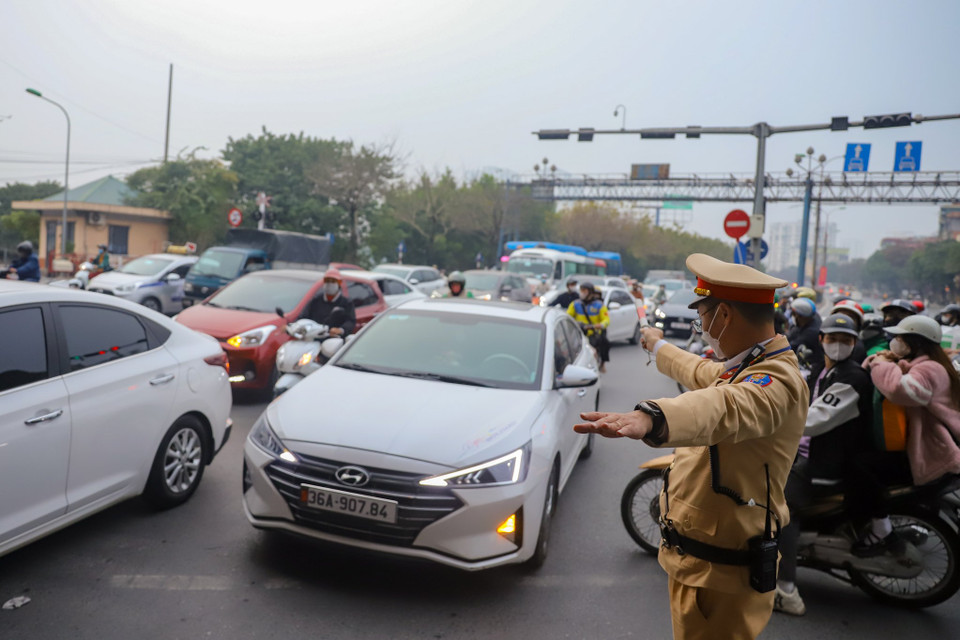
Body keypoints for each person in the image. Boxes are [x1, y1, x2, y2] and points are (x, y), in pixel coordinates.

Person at [574, 253, 808, 640]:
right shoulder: (751, 363)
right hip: (700, 565)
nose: (702, 327)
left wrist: (653, 416)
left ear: (725, 316)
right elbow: (701, 373)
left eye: (704, 316)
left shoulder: (776, 380)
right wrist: (659, 346)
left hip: (720, 578)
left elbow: (723, 405)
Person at [775, 314, 874, 616]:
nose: (839, 345)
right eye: (833, 339)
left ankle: (785, 590)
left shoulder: (852, 377)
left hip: (824, 465)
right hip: (804, 451)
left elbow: (814, 420)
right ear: (822, 340)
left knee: (782, 509)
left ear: (855, 343)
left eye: (846, 340)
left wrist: (768, 421)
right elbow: (797, 397)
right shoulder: (822, 369)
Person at [858, 315, 960, 556]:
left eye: (900, 338)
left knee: (859, 466)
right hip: (921, 447)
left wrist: (881, 364)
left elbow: (899, 390)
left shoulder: (931, 369)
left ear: (916, 342)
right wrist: (883, 359)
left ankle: (880, 528)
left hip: (931, 452)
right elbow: (875, 368)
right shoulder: (926, 364)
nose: (894, 341)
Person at [568, 282, 610, 373]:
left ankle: (602, 364)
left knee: (605, 343)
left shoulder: (599, 305)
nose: (581, 292)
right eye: (581, 290)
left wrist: (597, 326)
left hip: (593, 334)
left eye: (584, 290)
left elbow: (606, 320)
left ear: (590, 292)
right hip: (579, 333)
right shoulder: (575, 304)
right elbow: (568, 317)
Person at [301, 268, 356, 336]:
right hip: (314, 337)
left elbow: (350, 321)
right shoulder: (316, 300)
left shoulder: (346, 303)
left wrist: (340, 330)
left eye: (333, 281)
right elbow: (303, 316)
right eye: (327, 281)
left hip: (334, 340)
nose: (329, 283)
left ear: (339, 283)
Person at [787, 297, 824, 372]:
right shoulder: (811, 318)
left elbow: (789, 348)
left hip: (812, 368)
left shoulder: (811, 333)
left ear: (800, 316)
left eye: (794, 314)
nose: (793, 316)